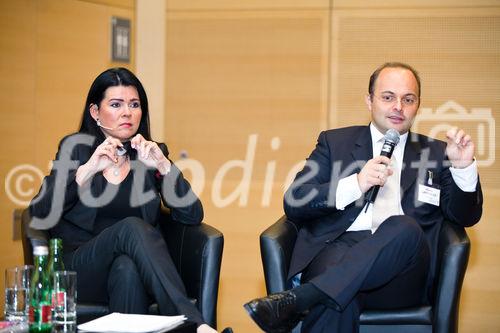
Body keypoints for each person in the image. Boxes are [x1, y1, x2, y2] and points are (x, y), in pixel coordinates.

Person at [244, 62, 483, 332]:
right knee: (336, 296)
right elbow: (296, 200)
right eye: (388, 97)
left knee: (403, 226)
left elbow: (465, 216)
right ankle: (316, 294)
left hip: (403, 271)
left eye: (408, 99)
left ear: (418, 105)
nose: (398, 107)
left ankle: (301, 298)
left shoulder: (438, 152)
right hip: (339, 251)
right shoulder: (335, 143)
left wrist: (464, 167)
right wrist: (355, 184)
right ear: (369, 100)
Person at [29, 67, 217, 333]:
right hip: (80, 268)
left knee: (127, 270)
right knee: (131, 227)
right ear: (95, 112)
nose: (127, 112)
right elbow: (39, 212)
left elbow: (192, 215)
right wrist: (87, 169)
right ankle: (193, 325)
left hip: (130, 270)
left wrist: (164, 167)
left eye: (134, 104)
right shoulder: (77, 148)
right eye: (116, 104)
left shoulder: (150, 153)